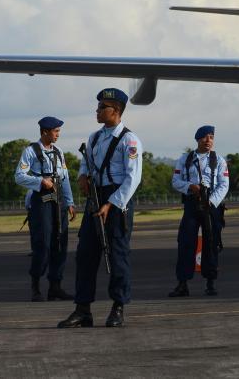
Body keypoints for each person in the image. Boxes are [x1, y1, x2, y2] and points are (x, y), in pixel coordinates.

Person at [58, 88, 142, 328]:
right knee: (86, 254)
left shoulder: (129, 140)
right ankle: (83, 309)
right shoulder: (94, 137)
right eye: (98, 107)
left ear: (116, 111)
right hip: (95, 198)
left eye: (102, 107)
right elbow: (86, 163)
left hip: (117, 200)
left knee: (117, 255)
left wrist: (111, 203)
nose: (97, 111)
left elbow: (133, 178)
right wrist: (82, 176)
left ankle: (118, 307)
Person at [15, 116, 77, 302]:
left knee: (60, 243)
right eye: (55, 131)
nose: (58, 135)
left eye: (59, 131)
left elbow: (64, 178)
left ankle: (55, 287)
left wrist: (70, 202)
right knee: (43, 244)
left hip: (59, 201)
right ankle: (35, 286)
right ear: (44, 132)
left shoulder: (58, 152)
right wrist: (40, 181)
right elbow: (19, 176)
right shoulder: (31, 151)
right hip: (41, 200)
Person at [168, 125, 229, 297]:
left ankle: (210, 282)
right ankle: (183, 283)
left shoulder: (219, 160)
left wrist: (211, 201)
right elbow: (175, 181)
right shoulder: (185, 159)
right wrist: (190, 186)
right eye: (205, 137)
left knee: (211, 242)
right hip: (192, 202)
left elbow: (224, 185)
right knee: (186, 242)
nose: (208, 140)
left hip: (211, 204)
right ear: (197, 139)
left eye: (211, 137)